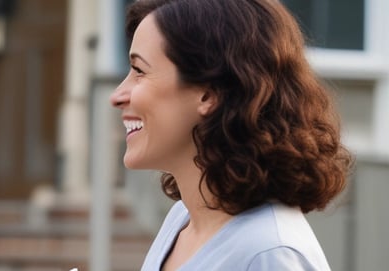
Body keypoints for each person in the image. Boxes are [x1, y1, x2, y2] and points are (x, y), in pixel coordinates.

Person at [109, 0, 352, 270]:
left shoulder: (271, 253)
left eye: (140, 71)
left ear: (209, 93)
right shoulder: (183, 220)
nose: (117, 96)